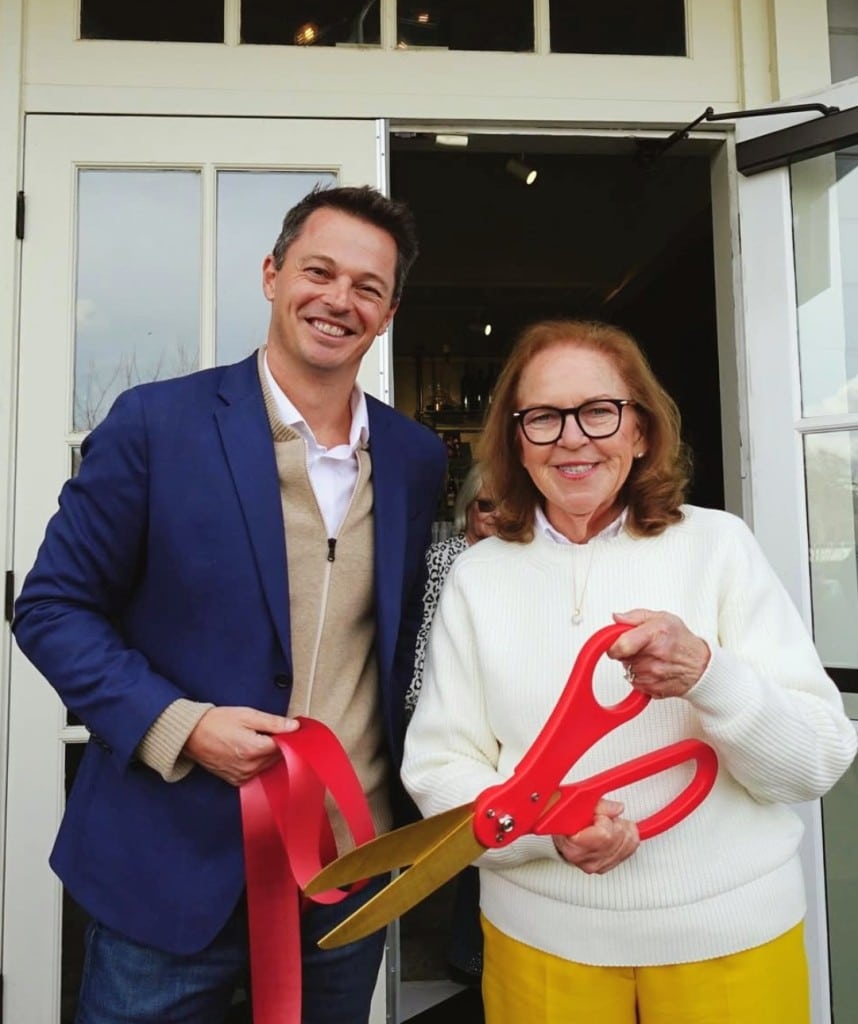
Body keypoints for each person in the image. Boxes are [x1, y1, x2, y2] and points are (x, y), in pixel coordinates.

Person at [12, 184, 448, 1024]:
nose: (339, 300)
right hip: (170, 870)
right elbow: (52, 607)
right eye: (319, 271)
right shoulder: (156, 424)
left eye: (368, 287)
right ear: (271, 275)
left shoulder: (414, 457)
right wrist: (180, 723)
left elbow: (396, 644)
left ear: (389, 314)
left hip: (342, 870)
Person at [401, 318, 857, 1024]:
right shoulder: (477, 576)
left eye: (599, 411)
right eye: (544, 417)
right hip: (541, 947)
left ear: (641, 430)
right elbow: (439, 767)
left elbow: (815, 763)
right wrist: (546, 827)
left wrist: (708, 673)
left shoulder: (720, 547)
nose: (573, 437)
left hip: (730, 944)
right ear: (517, 441)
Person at [404, 461, 497, 990]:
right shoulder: (445, 559)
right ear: (467, 508)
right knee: (467, 837)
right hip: (442, 715)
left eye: (507, 504)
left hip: (495, 721)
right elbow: (425, 647)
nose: (496, 515)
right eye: (485, 505)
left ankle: (475, 949)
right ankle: (465, 951)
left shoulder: (514, 562)